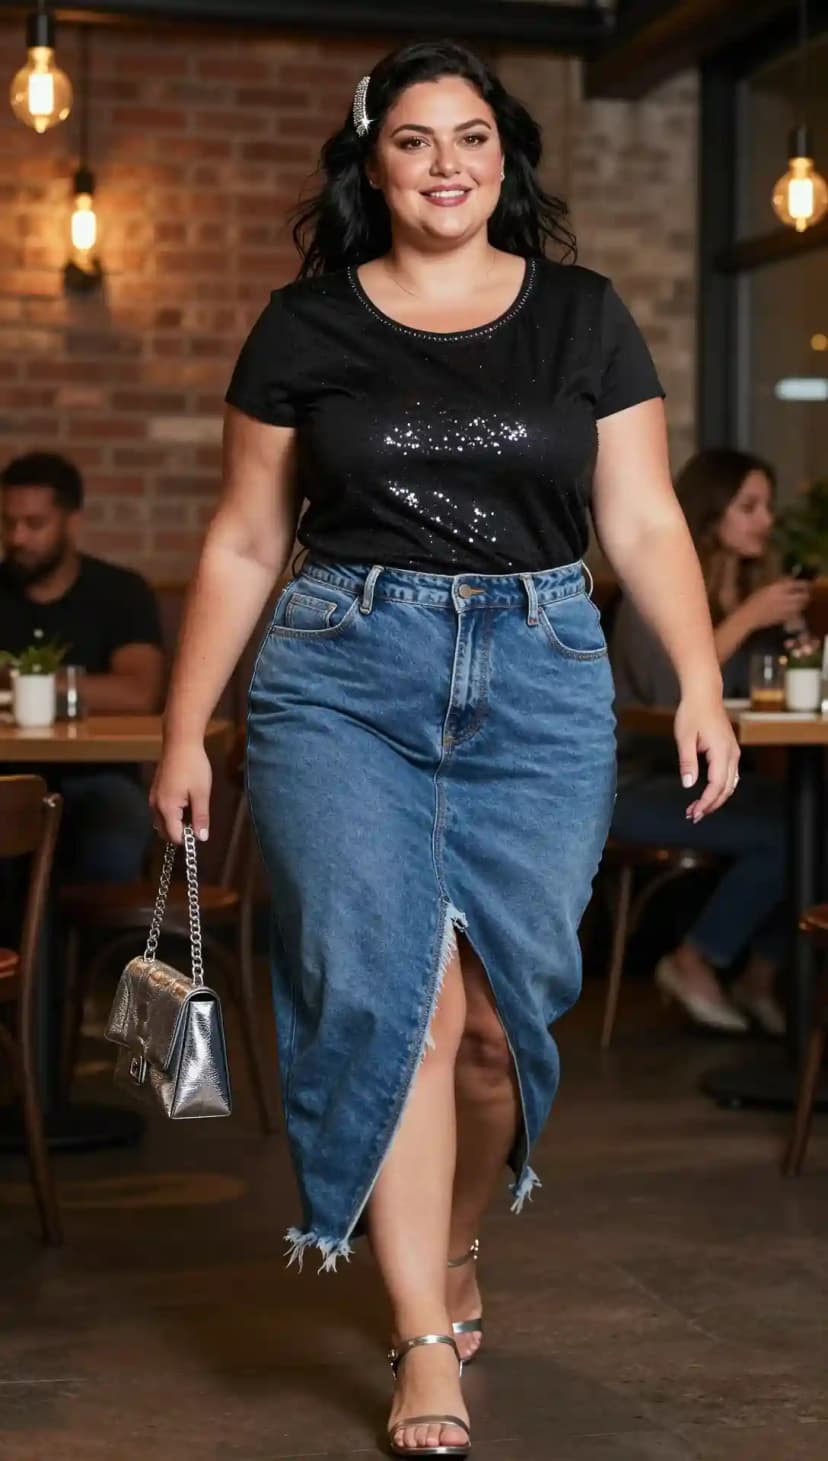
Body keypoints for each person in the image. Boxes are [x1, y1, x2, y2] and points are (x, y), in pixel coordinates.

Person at [150, 42, 739, 1459]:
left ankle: (456, 1244)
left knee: (494, 1033)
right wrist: (184, 729)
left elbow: (644, 518)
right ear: (375, 162)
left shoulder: (584, 317)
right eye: (414, 140)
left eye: (471, 136)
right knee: (393, 1007)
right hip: (342, 675)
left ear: (504, 155)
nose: (446, 164)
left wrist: (703, 684)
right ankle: (421, 1335)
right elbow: (244, 538)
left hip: (542, 675)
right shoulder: (304, 327)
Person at [612, 447, 806, 1037]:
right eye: (749, 506)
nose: (766, 520)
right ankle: (696, 959)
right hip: (633, 783)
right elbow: (670, 697)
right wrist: (747, 621)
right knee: (786, 831)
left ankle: (760, 976)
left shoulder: (744, 593)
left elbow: (752, 698)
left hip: (707, 780)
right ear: (710, 512)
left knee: (813, 822)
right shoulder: (652, 594)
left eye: (768, 506)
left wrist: (791, 646)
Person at [0, 451, 163, 882]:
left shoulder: (121, 592)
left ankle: (94, 931)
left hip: (98, 775)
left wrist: (25, 685)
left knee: (115, 823)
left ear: (72, 522)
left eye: (34, 524)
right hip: (7, 775)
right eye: (8, 523)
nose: (17, 537)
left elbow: (138, 693)